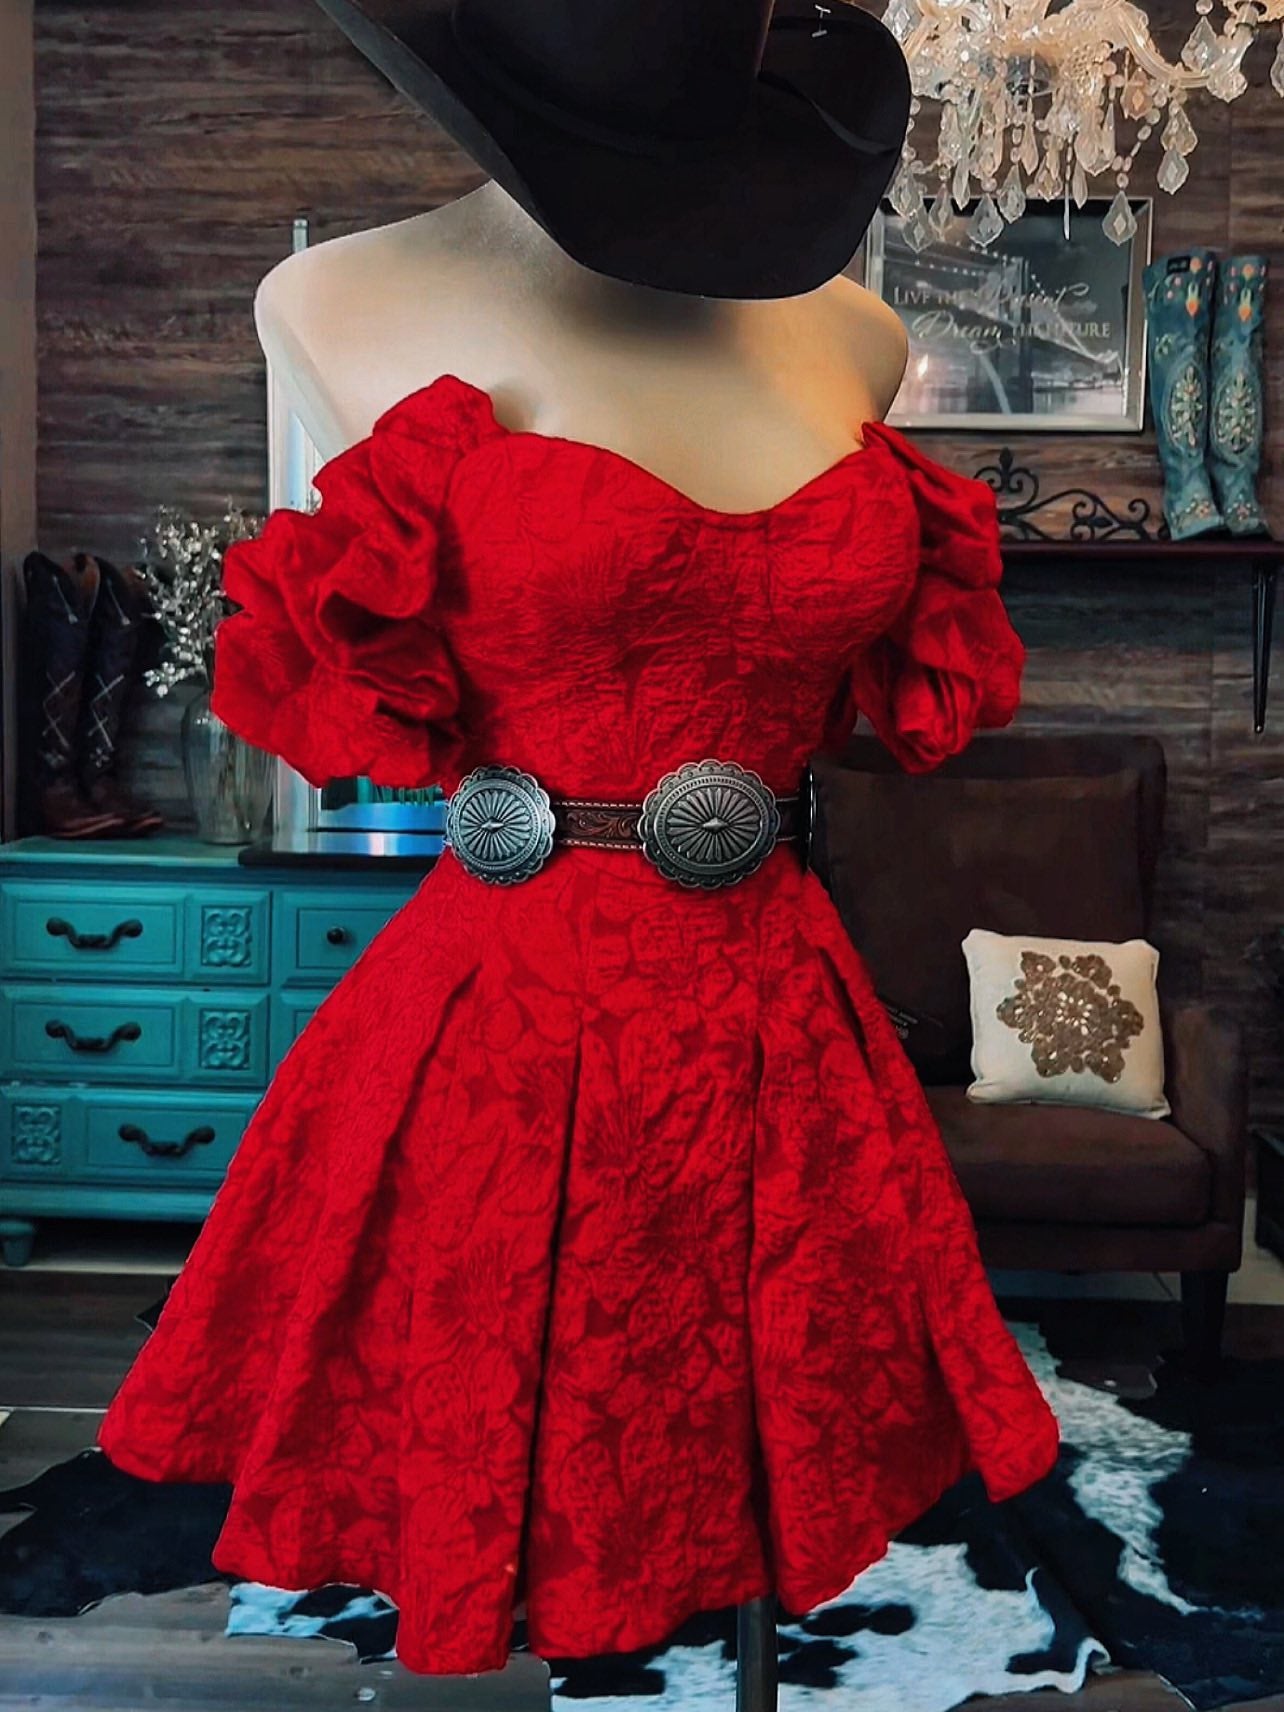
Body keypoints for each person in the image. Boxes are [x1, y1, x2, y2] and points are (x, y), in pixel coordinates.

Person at [96, 0, 1060, 1677]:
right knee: (507, 1444)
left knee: (770, 1441)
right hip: (511, 1024)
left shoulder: (849, 331)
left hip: (776, 1012)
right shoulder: (331, 300)